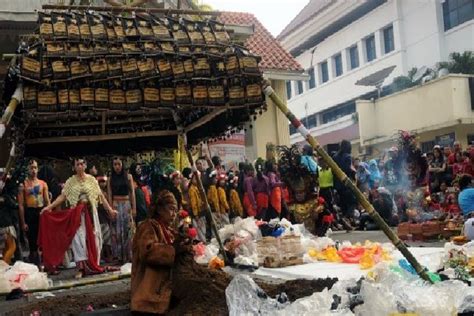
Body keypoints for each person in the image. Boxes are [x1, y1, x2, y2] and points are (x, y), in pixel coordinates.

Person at [41, 158, 117, 277]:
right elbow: (62, 197)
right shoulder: (70, 182)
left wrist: (110, 210)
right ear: (74, 167)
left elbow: (101, 196)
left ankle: (92, 265)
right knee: (78, 240)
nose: (80, 166)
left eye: (82, 164)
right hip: (76, 215)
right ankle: (81, 268)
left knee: (95, 237)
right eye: (78, 164)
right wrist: (49, 207)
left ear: (85, 165)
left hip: (91, 213)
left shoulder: (92, 180)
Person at [131, 190, 182, 314]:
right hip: (148, 293)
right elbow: (148, 251)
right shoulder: (148, 226)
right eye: (171, 209)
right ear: (159, 209)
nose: (174, 214)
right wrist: (174, 250)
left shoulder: (167, 230)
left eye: (175, 211)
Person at [18, 160, 51, 267]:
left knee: (45, 241)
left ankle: (48, 265)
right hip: (30, 214)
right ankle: (35, 267)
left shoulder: (42, 183)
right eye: (31, 168)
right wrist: (23, 222)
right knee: (33, 243)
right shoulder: (23, 184)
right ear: (27, 169)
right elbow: (21, 205)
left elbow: (47, 202)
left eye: (35, 168)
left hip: (41, 212)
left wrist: (49, 216)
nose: (34, 170)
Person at [107, 157, 136, 263]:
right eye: (115, 164)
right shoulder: (110, 178)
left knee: (128, 230)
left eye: (119, 164)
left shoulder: (128, 177)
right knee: (117, 232)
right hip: (116, 204)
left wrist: (134, 208)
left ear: (122, 164)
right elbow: (109, 194)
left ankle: (129, 255)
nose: (117, 167)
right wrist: (110, 208)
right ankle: (118, 256)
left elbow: (132, 193)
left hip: (127, 204)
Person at [333, 140, 356, 220]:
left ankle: (345, 219)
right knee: (353, 201)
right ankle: (348, 217)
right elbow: (347, 169)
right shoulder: (347, 156)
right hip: (345, 182)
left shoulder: (335, 157)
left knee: (343, 202)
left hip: (337, 183)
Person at [96, 175, 113, 263]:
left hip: (105, 219)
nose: (103, 183)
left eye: (104, 182)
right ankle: (102, 257)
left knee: (107, 239)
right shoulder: (97, 193)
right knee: (101, 239)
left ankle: (109, 256)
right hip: (99, 218)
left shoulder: (107, 193)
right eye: (101, 182)